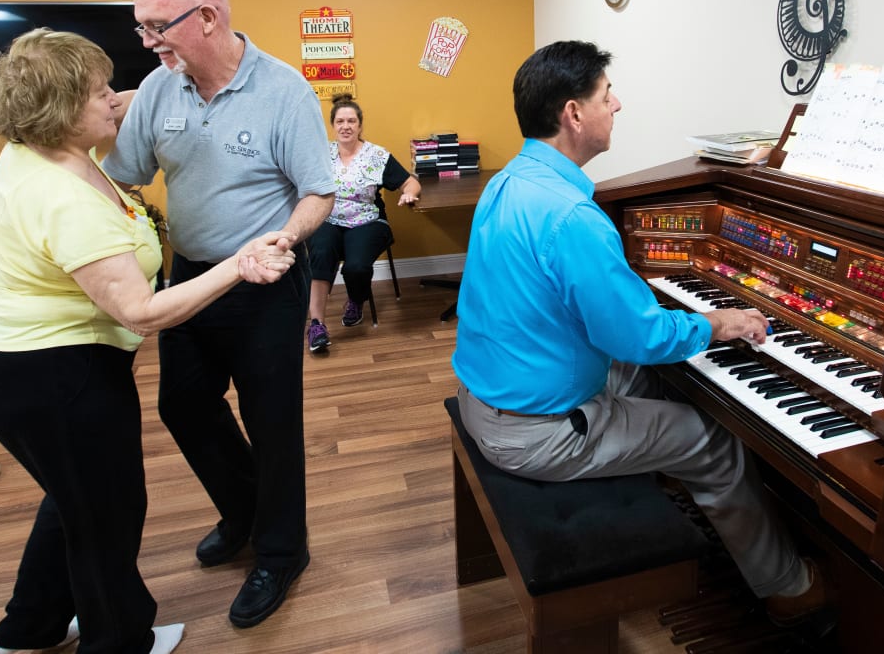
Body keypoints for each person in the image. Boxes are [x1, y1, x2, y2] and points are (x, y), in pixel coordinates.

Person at [450, 40, 832, 628]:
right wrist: (717, 319)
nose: (618, 105)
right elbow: (641, 337)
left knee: (649, 380)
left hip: (490, 396)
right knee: (714, 440)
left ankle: (682, 494)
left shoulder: (509, 182)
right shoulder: (574, 217)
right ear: (574, 114)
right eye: (608, 95)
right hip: (535, 433)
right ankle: (788, 587)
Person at [0, 28, 298, 654]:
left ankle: (28, 628)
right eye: (99, 93)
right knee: (106, 513)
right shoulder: (63, 197)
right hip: (55, 378)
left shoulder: (40, 152)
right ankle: (118, 641)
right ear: (62, 111)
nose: (115, 101)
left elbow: (111, 126)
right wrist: (239, 262)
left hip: (17, 363)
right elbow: (142, 314)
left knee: (72, 501)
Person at [103, 0, 335, 630]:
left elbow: (319, 191)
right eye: (141, 27)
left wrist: (283, 242)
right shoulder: (157, 88)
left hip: (265, 279)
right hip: (193, 277)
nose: (148, 42)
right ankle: (245, 511)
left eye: (157, 27)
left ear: (207, 18)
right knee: (182, 404)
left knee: (272, 420)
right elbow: (124, 177)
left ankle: (283, 551)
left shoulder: (284, 91)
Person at [305, 95, 420, 352]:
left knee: (356, 267)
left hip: (367, 220)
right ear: (333, 125)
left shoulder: (376, 155)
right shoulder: (322, 153)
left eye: (351, 121)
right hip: (329, 218)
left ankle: (356, 301)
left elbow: (409, 181)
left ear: (360, 125)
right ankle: (316, 324)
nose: (346, 126)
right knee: (320, 251)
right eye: (340, 121)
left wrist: (409, 193)